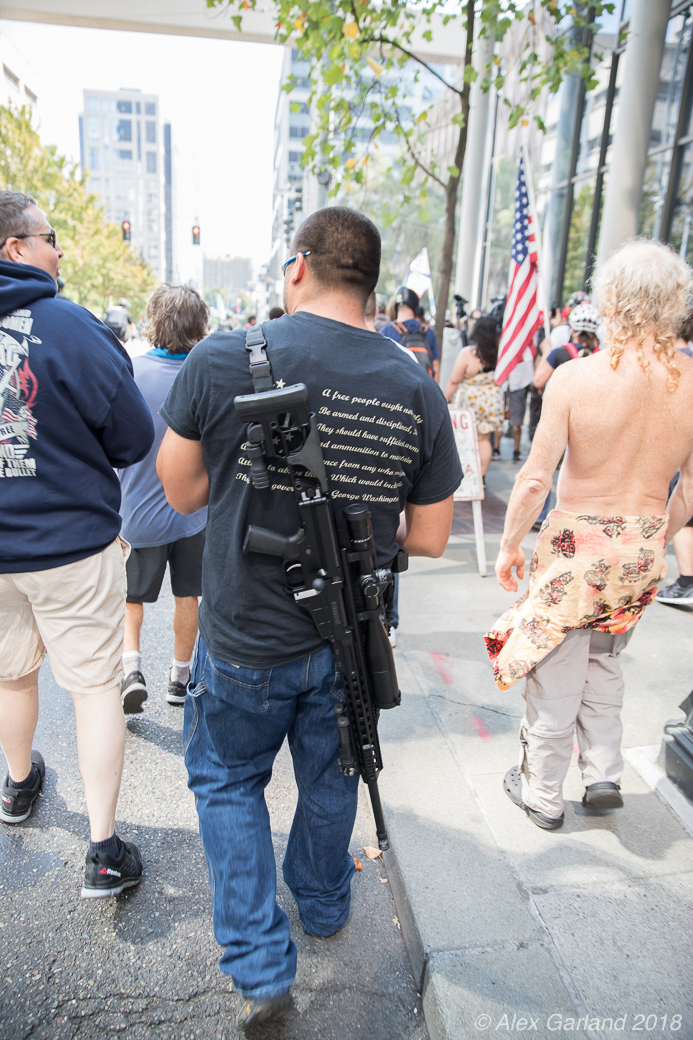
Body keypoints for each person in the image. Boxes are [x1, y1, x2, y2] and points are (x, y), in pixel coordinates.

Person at [156, 206, 461, 1030]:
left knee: (227, 782)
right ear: (370, 283)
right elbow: (430, 536)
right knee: (333, 775)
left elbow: (179, 490)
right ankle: (322, 904)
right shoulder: (415, 385)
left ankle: (259, 968)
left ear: (298, 267)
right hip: (349, 639)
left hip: (243, 635)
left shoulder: (225, 357)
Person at [484, 240, 693, 830]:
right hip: (641, 547)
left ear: (610, 300)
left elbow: (534, 480)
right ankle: (603, 773)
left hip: (576, 550)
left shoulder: (576, 377)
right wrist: (655, 540)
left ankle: (542, 793)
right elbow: (690, 490)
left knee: (555, 668)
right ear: (674, 303)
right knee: (604, 660)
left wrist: (509, 546)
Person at [0, 191, 155, 894]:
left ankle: (17, 784)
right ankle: (102, 851)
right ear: (16, 247)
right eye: (50, 236)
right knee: (94, 690)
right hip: (70, 543)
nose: (58, 250)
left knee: (11, 674)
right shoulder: (68, 323)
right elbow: (131, 436)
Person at [118, 285, 210, 713]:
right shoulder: (206, 374)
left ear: (154, 321)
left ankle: (131, 668)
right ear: (199, 325)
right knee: (187, 595)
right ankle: (180, 676)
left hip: (137, 512)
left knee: (130, 598)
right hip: (192, 512)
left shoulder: (131, 372)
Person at [444, 315, 504, 477]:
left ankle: (467, 477)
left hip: (472, 401)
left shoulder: (468, 354)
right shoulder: (501, 353)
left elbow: (454, 381)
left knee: (466, 440)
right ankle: (480, 477)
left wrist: (443, 400)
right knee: (484, 440)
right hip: (493, 400)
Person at [532, 302, 601, 390]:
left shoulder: (559, 353)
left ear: (573, 329)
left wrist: (546, 353)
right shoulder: (601, 356)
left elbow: (538, 381)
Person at [379, 285, 441, 380]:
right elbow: (436, 370)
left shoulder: (386, 331)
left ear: (396, 306)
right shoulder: (428, 332)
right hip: (423, 387)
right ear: (416, 306)